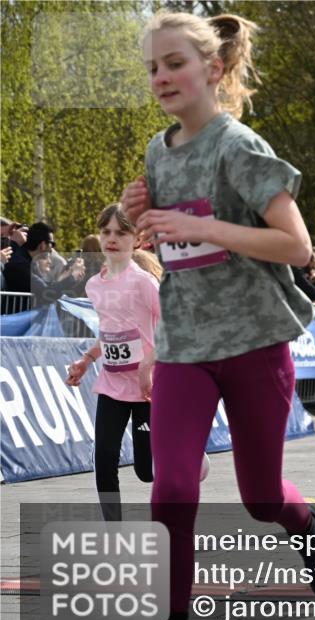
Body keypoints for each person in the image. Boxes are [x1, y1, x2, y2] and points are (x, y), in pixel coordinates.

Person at [121, 12, 315, 620]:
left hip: (254, 343)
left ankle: (309, 526)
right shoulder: (157, 151)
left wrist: (209, 228)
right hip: (186, 345)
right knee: (172, 488)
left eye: (175, 63)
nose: (161, 77)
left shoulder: (238, 145)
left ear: (213, 69)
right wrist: (141, 216)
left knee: (261, 496)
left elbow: (297, 246)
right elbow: (171, 243)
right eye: (153, 67)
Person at [65, 203, 209, 522]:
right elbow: (110, 332)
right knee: (104, 458)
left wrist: (149, 363)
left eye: (121, 232)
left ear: (137, 239)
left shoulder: (144, 282)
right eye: (106, 232)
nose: (112, 238)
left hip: (150, 387)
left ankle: (188, 461)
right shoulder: (94, 285)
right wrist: (87, 360)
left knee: (146, 470)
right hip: (113, 384)